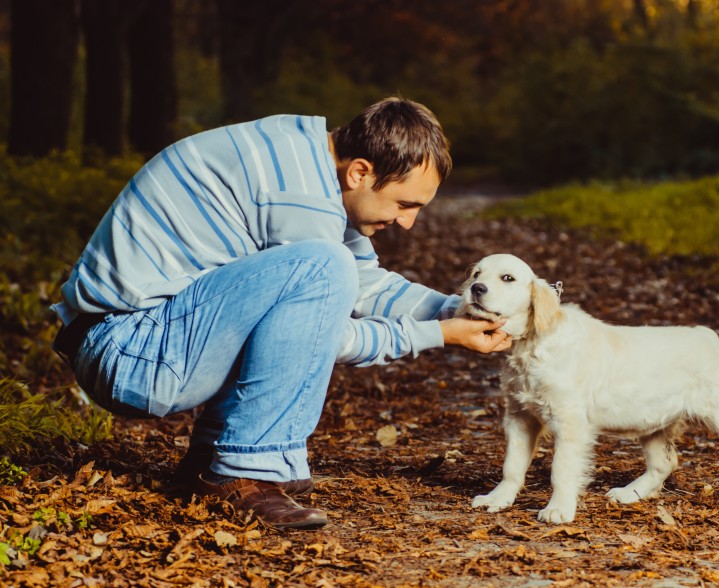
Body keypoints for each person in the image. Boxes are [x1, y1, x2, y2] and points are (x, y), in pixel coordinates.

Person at [51, 98, 511, 529]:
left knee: (326, 267)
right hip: (130, 353)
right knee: (323, 266)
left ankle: (213, 460)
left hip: (139, 339)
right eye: (405, 204)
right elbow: (324, 334)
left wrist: (465, 310)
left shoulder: (305, 162)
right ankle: (243, 469)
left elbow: (366, 282)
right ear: (360, 172)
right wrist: (439, 334)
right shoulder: (300, 194)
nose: (407, 222)